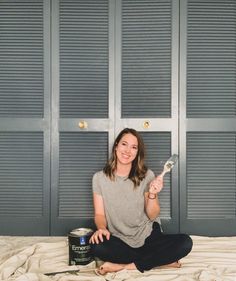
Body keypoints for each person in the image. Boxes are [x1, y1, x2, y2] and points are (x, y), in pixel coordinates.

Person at [89, 128, 192, 275]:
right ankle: (159, 261)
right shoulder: (99, 178)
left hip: (148, 236)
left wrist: (152, 194)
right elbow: (99, 214)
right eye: (124, 144)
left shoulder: (147, 175)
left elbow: (152, 215)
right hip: (120, 238)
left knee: (185, 242)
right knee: (96, 246)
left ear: (137, 152)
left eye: (134, 147)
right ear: (116, 146)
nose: (127, 151)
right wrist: (102, 228)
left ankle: (124, 266)